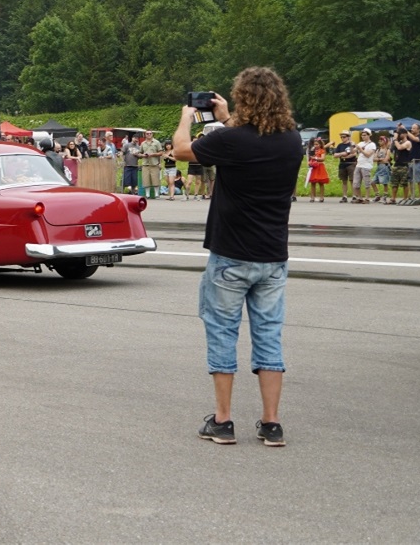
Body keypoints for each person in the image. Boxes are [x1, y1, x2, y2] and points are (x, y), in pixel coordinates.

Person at [172, 67, 302, 447]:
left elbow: (182, 151)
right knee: (268, 335)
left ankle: (224, 420)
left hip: (231, 254)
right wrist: (225, 117)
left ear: (243, 97)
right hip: (273, 255)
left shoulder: (231, 141)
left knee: (223, 333)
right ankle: (271, 423)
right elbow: (253, 140)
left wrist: (186, 118)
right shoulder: (292, 140)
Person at [351, 129, 376, 203]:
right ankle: (359, 197)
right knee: (356, 183)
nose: (363, 136)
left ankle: (367, 198)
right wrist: (352, 145)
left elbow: (368, 155)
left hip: (366, 165)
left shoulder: (372, 144)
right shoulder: (361, 143)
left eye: (365, 135)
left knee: (367, 182)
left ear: (369, 135)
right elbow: (352, 151)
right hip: (359, 164)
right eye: (362, 135)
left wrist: (360, 149)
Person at [332, 131, 356, 203]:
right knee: (344, 181)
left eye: (344, 137)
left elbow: (354, 153)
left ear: (348, 137)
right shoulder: (340, 145)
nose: (342, 138)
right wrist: (343, 154)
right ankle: (344, 196)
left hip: (351, 163)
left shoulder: (351, 144)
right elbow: (335, 155)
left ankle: (354, 195)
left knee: (352, 180)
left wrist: (346, 155)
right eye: (341, 137)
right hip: (342, 164)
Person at [139, 130, 164, 199]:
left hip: (154, 163)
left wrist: (153, 154)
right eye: (147, 134)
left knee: (155, 179)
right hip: (145, 164)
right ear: (145, 135)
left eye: (150, 133)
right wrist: (143, 155)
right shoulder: (143, 143)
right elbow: (139, 153)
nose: (149, 135)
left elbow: (161, 152)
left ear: (152, 134)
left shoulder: (157, 142)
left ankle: (156, 194)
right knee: (146, 180)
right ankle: (147, 195)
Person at [391, 128, 413, 204]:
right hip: (396, 165)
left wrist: (395, 139)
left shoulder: (408, 142)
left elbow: (400, 147)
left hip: (404, 165)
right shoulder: (397, 142)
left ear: (405, 134)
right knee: (394, 183)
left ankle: (405, 198)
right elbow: (392, 149)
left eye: (400, 134)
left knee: (404, 183)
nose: (399, 135)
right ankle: (393, 198)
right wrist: (395, 140)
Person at [369, 135, 391, 203]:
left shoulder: (388, 150)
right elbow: (373, 159)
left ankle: (385, 196)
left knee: (384, 182)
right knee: (372, 182)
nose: (379, 142)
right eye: (379, 140)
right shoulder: (378, 150)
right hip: (379, 167)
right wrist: (380, 159)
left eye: (381, 140)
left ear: (384, 142)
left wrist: (379, 159)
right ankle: (377, 195)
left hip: (385, 167)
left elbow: (386, 160)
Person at [407, 123, 420, 204]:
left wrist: (406, 131)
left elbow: (415, 139)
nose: (412, 129)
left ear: (418, 130)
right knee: (410, 180)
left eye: (414, 128)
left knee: (419, 180)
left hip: (417, 161)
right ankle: (412, 195)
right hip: (409, 161)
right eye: (411, 128)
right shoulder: (409, 137)